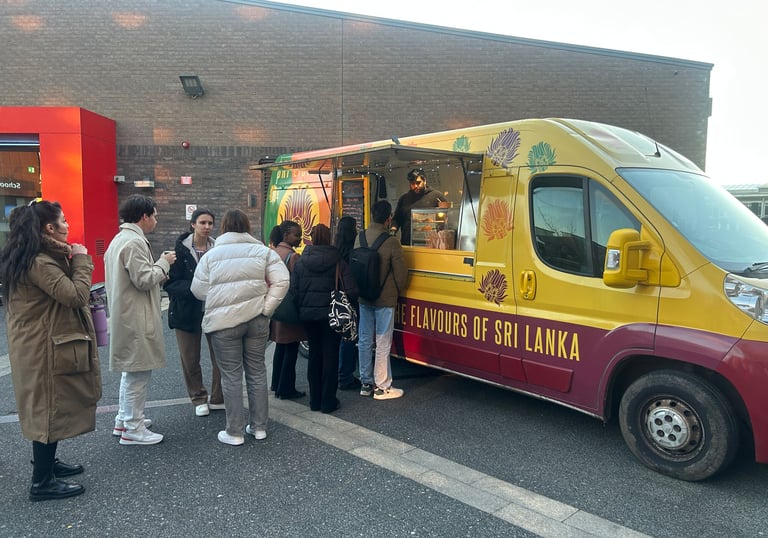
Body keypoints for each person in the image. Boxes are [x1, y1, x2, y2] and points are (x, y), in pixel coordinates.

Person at [1, 200, 102, 501]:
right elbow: (74, 295)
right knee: (47, 408)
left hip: (41, 343)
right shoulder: (39, 262)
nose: (68, 225)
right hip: (41, 347)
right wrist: (83, 260)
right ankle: (41, 481)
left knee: (51, 405)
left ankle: (48, 464)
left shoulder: (38, 256)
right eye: (64, 220)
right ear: (49, 228)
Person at [191, 209, 289, 446]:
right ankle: (259, 427)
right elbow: (282, 280)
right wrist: (267, 307)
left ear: (223, 227)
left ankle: (234, 432)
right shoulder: (263, 252)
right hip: (257, 319)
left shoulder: (211, 256)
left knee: (231, 376)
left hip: (224, 324)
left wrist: (220, 297)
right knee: (257, 372)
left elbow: (198, 290)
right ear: (247, 227)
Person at [105, 194, 175, 446]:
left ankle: (125, 419)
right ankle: (133, 428)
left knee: (130, 371)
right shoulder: (134, 242)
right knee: (138, 373)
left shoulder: (120, 239)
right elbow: (144, 279)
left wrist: (158, 270)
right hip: (135, 316)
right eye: (154, 215)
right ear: (144, 216)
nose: (156, 220)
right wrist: (163, 264)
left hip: (125, 314)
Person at [291, 224, 358, 413]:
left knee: (314, 356)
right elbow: (352, 291)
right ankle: (328, 401)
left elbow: (294, 290)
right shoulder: (338, 261)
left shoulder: (301, 261)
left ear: (311, 238)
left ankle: (315, 400)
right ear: (330, 238)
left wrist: (303, 308)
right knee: (330, 356)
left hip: (309, 316)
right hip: (333, 316)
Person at [164, 208, 223, 417]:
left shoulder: (219, 248)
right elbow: (170, 284)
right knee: (190, 359)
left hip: (215, 310)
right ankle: (198, 397)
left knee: (221, 358)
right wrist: (195, 288)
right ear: (193, 225)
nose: (207, 227)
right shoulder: (179, 251)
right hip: (187, 311)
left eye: (210, 223)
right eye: (202, 223)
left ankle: (218, 397)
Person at [356, 200, 408, 400]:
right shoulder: (392, 242)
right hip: (384, 298)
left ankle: (365, 383)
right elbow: (401, 275)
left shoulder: (359, 237)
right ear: (388, 219)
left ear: (371, 215)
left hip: (363, 296)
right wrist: (397, 290)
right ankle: (382, 386)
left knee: (365, 340)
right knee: (383, 340)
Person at [268, 220, 307, 400]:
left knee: (280, 347)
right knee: (291, 349)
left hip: (276, 307)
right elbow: (298, 285)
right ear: (286, 235)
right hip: (290, 308)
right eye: (296, 235)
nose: (300, 238)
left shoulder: (273, 253)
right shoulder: (292, 257)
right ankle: (286, 389)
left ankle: (276, 384)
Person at [334, 216, 361, 390]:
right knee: (349, 338)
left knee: (337, 339)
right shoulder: (354, 253)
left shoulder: (334, 250)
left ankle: (337, 373)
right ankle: (345, 376)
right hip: (349, 300)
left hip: (335, 300)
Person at [390, 168, 448, 245]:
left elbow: (446, 217)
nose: (415, 186)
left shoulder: (436, 196)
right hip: (408, 243)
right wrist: (393, 231)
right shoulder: (404, 199)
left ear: (425, 181)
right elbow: (397, 219)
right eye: (412, 183)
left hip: (430, 244)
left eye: (418, 183)